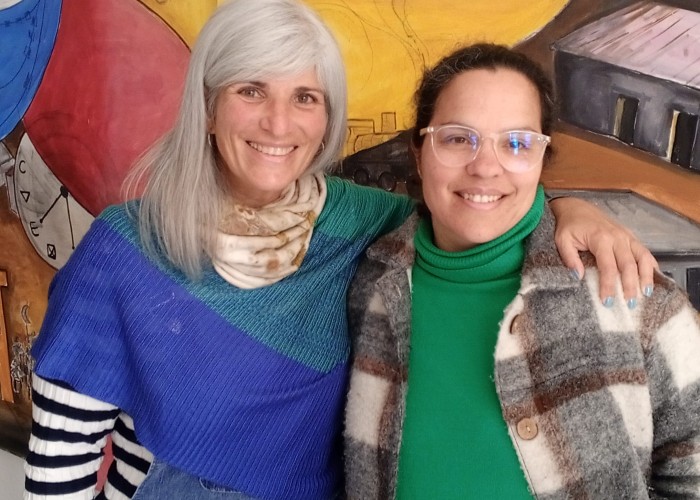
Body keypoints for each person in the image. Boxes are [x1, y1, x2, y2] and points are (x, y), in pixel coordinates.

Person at [24, 1, 658, 498]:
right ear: (209, 107)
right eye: (251, 90)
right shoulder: (124, 250)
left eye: (305, 97)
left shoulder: (362, 224)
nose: (279, 123)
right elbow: (61, 462)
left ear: (327, 117)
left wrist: (568, 208)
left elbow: (475, 204)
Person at [343, 42, 700, 499]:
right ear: (419, 152)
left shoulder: (631, 291)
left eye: (516, 143)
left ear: (542, 160)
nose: (485, 168)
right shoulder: (370, 280)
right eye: (457, 138)